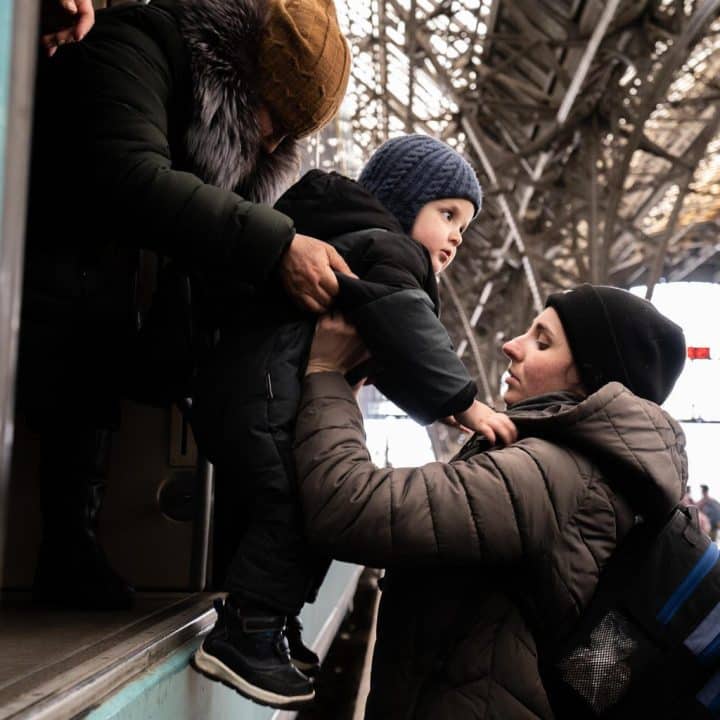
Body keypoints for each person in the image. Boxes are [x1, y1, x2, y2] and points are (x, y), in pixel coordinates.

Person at [19, 0, 351, 621]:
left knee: (100, 347)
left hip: (96, 303)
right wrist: (275, 243)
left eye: (287, 136)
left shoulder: (223, 135)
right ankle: (66, 542)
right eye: (273, 118)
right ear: (244, 74)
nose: (272, 141)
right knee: (87, 337)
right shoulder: (141, 44)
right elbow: (129, 174)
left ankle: (72, 543)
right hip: (40, 274)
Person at [190, 134, 516, 709]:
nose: (457, 234)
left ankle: (271, 622)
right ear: (400, 201)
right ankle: (248, 632)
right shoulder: (390, 251)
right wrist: (464, 402)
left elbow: (387, 352)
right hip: (272, 398)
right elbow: (410, 333)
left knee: (279, 506)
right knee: (297, 506)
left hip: (244, 395)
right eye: (446, 214)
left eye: (463, 224)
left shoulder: (348, 242)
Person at [293, 283, 687, 719]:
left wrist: (326, 372)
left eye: (542, 342)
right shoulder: (595, 478)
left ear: (591, 378)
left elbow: (347, 507)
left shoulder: (552, 474)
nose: (510, 345)